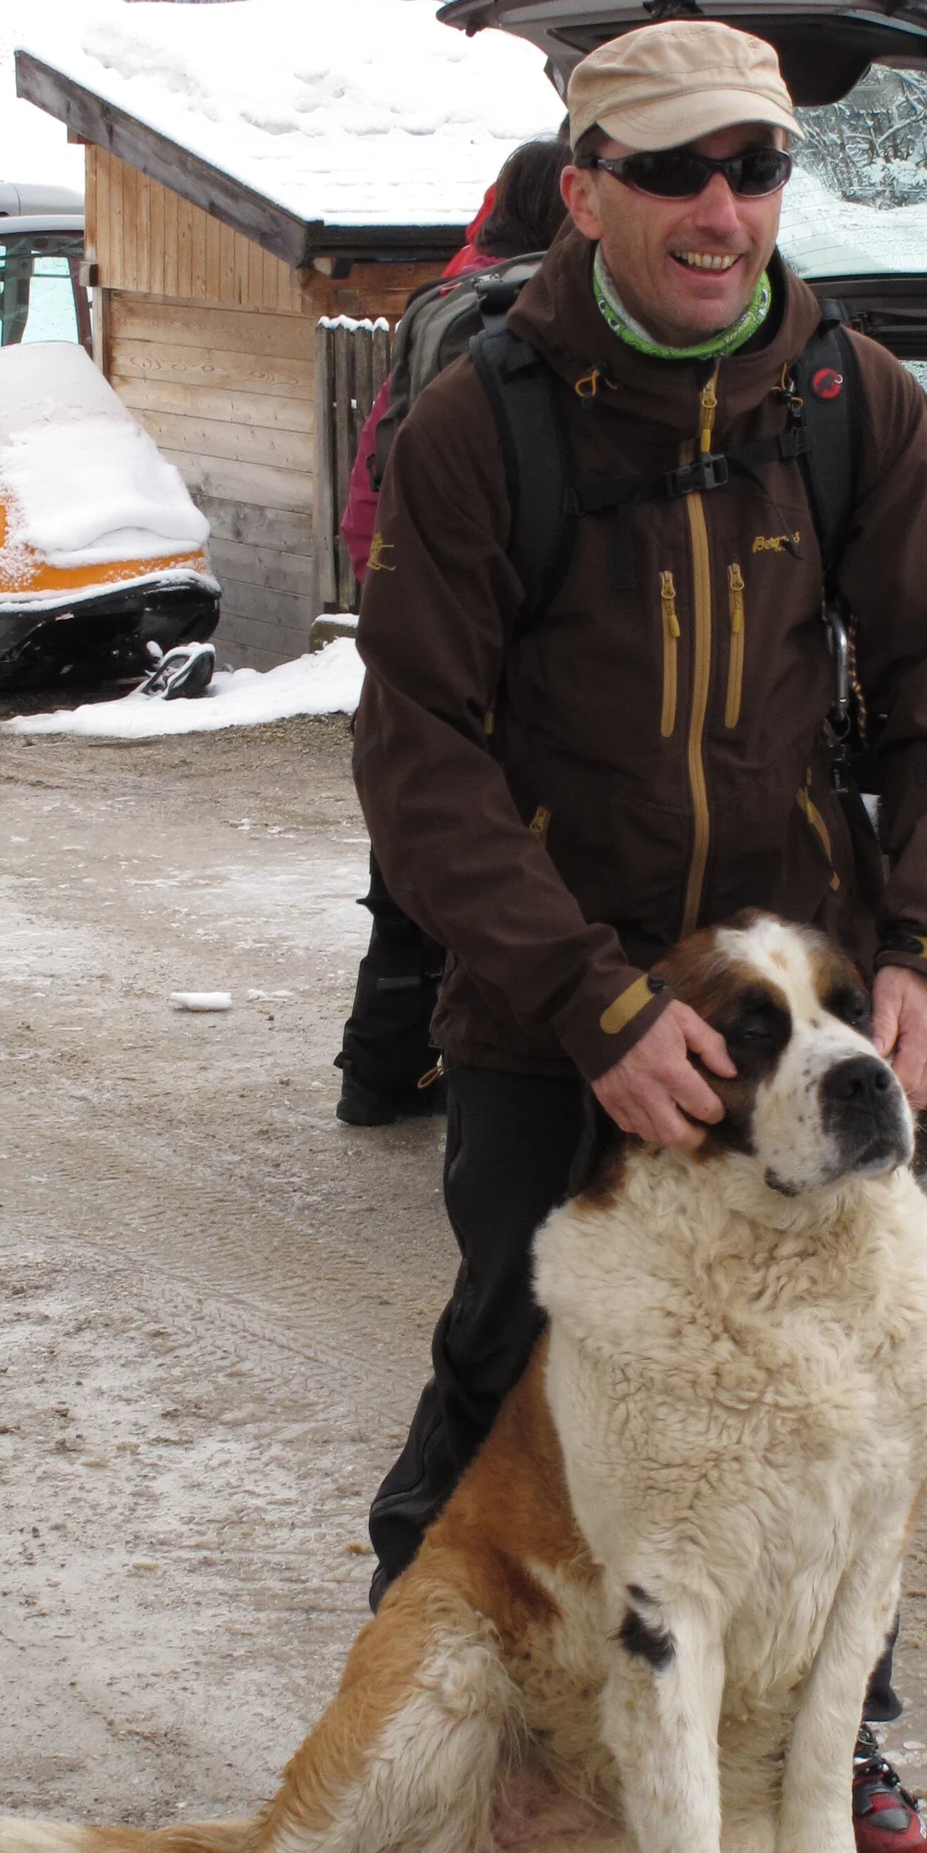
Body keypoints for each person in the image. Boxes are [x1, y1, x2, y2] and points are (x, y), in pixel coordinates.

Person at [352, 19, 927, 1853]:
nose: (723, 209)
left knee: (831, 1399)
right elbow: (420, 749)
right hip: (551, 1010)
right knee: (516, 1358)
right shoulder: (483, 420)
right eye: (674, 172)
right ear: (586, 191)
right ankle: (427, 1678)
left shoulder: (856, 407)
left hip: (795, 1018)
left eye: (755, 167)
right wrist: (587, 1003)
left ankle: (844, 1737)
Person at [334, 138, 573, 1126]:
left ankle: (379, 1075)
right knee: (526, 858)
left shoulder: (444, 303)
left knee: (414, 853)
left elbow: (373, 477)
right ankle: (505, 1089)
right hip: (520, 622)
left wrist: (389, 588)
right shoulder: (547, 322)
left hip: (410, 602)